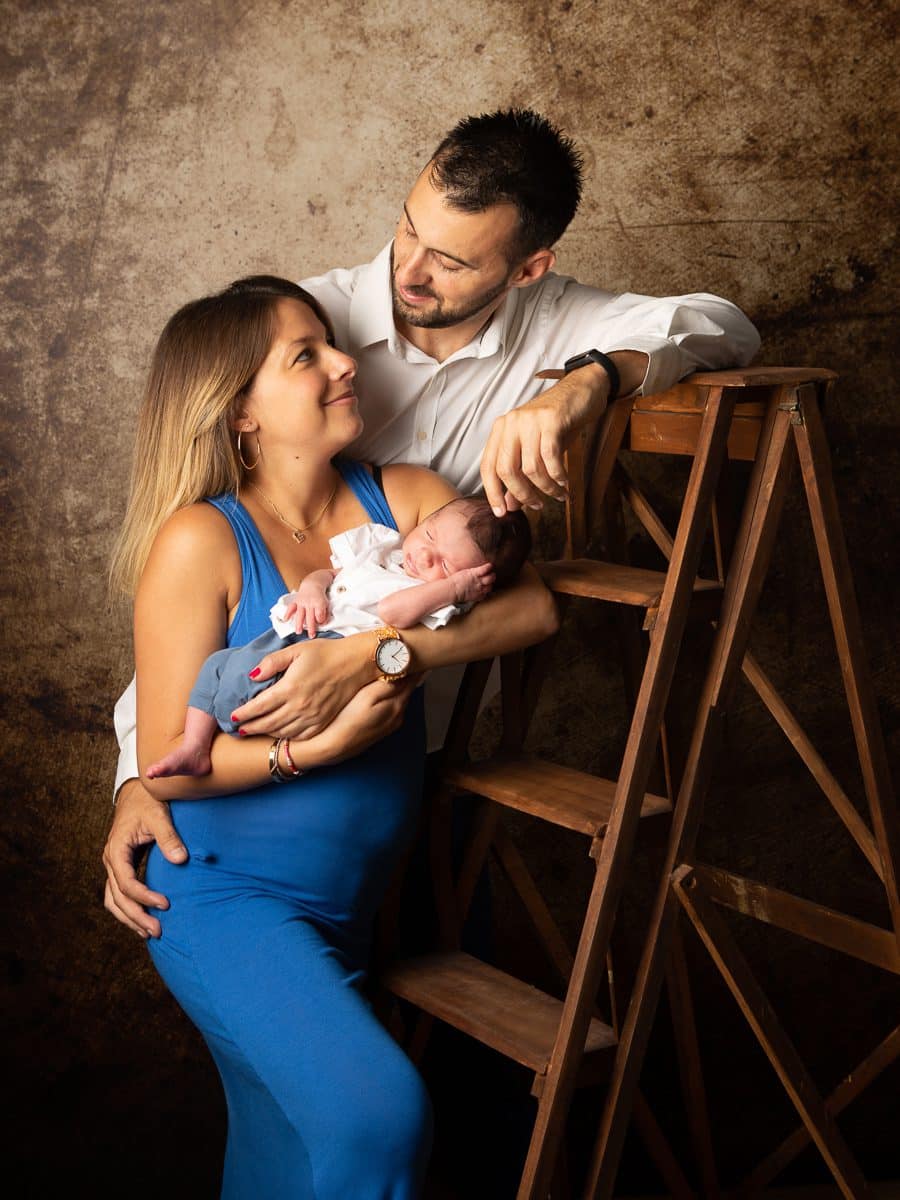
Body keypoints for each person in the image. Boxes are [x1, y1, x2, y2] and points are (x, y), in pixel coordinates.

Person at [104, 107, 761, 937]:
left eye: (449, 261)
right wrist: (139, 772)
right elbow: (200, 574)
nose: (408, 273)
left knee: (435, 986)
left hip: (424, 750)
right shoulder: (317, 323)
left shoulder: (562, 324)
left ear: (529, 269)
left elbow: (722, 323)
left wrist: (589, 381)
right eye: (407, 231)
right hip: (258, 754)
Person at [110, 274, 556, 1196]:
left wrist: (378, 657)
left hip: (345, 910)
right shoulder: (202, 539)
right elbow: (170, 767)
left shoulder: (405, 499)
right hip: (221, 902)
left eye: (331, 343)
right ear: (239, 412)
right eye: (305, 355)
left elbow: (530, 611)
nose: (348, 362)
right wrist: (307, 753)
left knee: (289, 1161)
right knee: (377, 1116)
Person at [146, 496, 531, 779]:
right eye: (428, 534)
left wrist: (454, 590)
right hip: (298, 629)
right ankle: (196, 747)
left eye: (446, 564)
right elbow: (327, 575)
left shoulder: (439, 603)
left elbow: (393, 613)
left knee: (291, 702)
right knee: (217, 666)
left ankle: (261, 740)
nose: (425, 556)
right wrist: (311, 590)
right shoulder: (382, 546)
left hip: (334, 651)